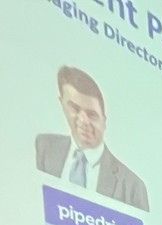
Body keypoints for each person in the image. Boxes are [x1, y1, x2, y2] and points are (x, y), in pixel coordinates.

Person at [35, 66, 149, 211]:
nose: (83, 121)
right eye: (75, 109)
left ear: (104, 121)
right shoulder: (44, 147)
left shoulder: (132, 186)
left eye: (92, 114)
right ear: (62, 104)